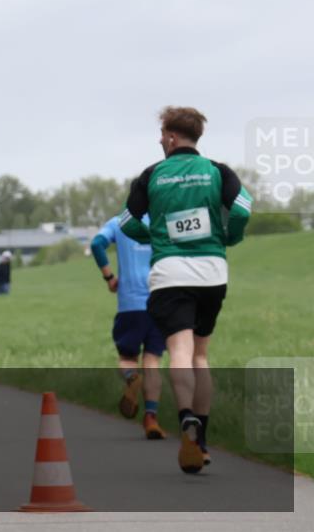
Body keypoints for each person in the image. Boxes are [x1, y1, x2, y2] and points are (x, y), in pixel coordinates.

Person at [120, 106, 251, 473]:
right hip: (212, 273)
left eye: (162, 135)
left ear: (172, 137)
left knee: (179, 348)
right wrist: (229, 237)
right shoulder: (218, 171)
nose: (160, 140)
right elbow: (242, 210)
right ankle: (202, 441)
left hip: (170, 273)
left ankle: (186, 418)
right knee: (201, 355)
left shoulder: (152, 175)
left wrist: (154, 236)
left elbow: (127, 221)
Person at [91, 214, 166, 439]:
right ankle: (151, 418)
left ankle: (132, 377)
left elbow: (96, 244)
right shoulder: (161, 220)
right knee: (152, 362)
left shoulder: (118, 222)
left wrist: (109, 278)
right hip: (159, 302)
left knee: (127, 358)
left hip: (130, 306)